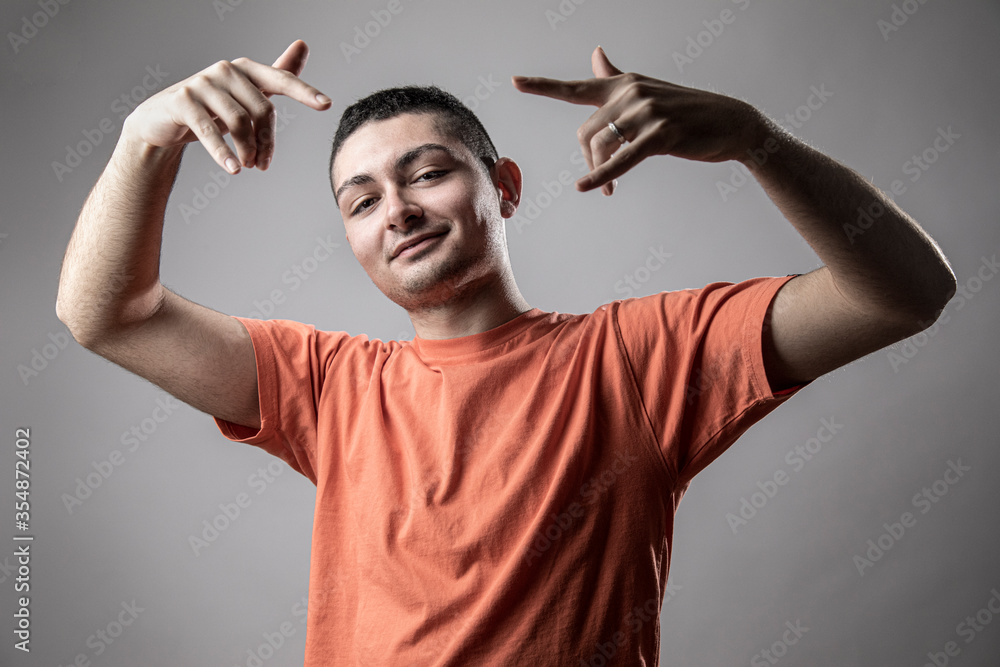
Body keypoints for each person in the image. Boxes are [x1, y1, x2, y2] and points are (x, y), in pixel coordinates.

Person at [56, 39, 956, 665]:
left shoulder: (637, 358)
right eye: (361, 202)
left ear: (506, 188)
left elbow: (905, 292)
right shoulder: (328, 385)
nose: (397, 210)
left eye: (427, 173)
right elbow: (107, 316)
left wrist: (757, 142)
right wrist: (145, 137)